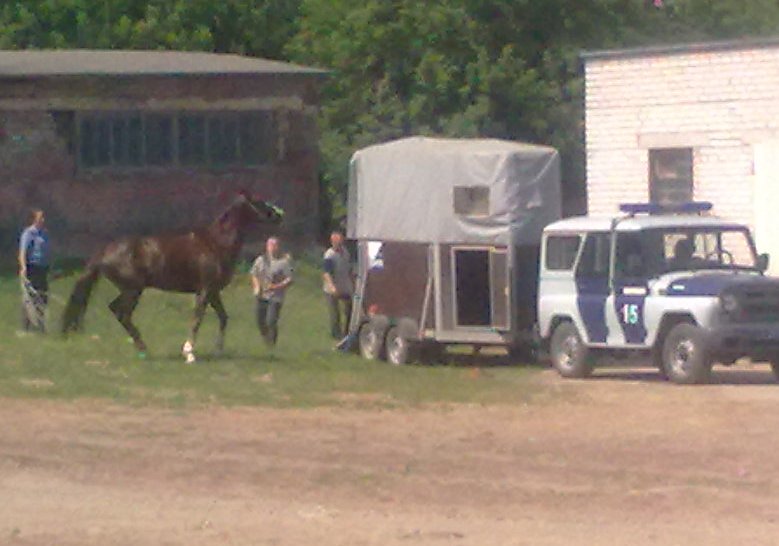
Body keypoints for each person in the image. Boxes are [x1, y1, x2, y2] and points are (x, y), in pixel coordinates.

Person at [250, 237, 293, 347]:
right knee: (260, 320)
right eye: (270, 245)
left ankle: (272, 343)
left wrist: (277, 286)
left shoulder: (284, 262)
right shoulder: (261, 260)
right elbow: (254, 274)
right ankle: (266, 338)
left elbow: (289, 279)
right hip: (262, 295)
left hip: (276, 297)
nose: (272, 248)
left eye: (275, 245)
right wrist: (256, 286)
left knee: (271, 320)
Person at [18, 208, 50, 332]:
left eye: (43, 217)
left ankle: (41, 326)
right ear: (34, 219)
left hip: (43, 269)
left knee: (42, 298)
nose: (42, 220)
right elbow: (22, 252)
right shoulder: (29, 233)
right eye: (40, 217)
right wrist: (23, 267)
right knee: (29, 298)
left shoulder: (45, 234)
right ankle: (25, 328)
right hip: (32, 268)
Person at [323, 230, 354, 339]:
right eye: (337, 242)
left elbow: (349, 269)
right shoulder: (329, 255)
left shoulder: (346, 252)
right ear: (333, 242)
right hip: (332, 289)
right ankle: (336, 335)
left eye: (341, 241)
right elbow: (326, 273)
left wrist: (353, 282)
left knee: (350, 309)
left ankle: (347, 332)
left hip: (345, 287)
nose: (340, 244)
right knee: (335, 313)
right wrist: (332, 286)